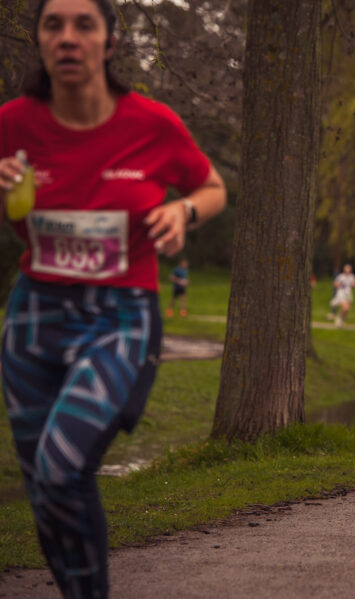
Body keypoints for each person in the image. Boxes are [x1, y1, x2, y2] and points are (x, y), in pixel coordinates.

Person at [0, 1, 226, 596]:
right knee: (46, 486)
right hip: (33, 318)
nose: (68, 38)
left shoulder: (150, 124)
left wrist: (183, 208)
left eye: (84, 25)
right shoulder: (13, 123)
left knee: (60, 466)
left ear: (109, 40)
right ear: (41, 41)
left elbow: (211, 186)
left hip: (117, 318)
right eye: (54, 24)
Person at [331, 263, 355, 328]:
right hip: (341, 293)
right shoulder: (341, 276)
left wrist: (354, 284)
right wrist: (339, 284)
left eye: (349, 269)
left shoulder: (352, 276)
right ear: (344, 270)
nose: (348, 271)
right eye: (346, 269)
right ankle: (338, 320)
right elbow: (334, 284)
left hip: (348, 294)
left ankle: (341, 320)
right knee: (345, 307)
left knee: (347, 309)